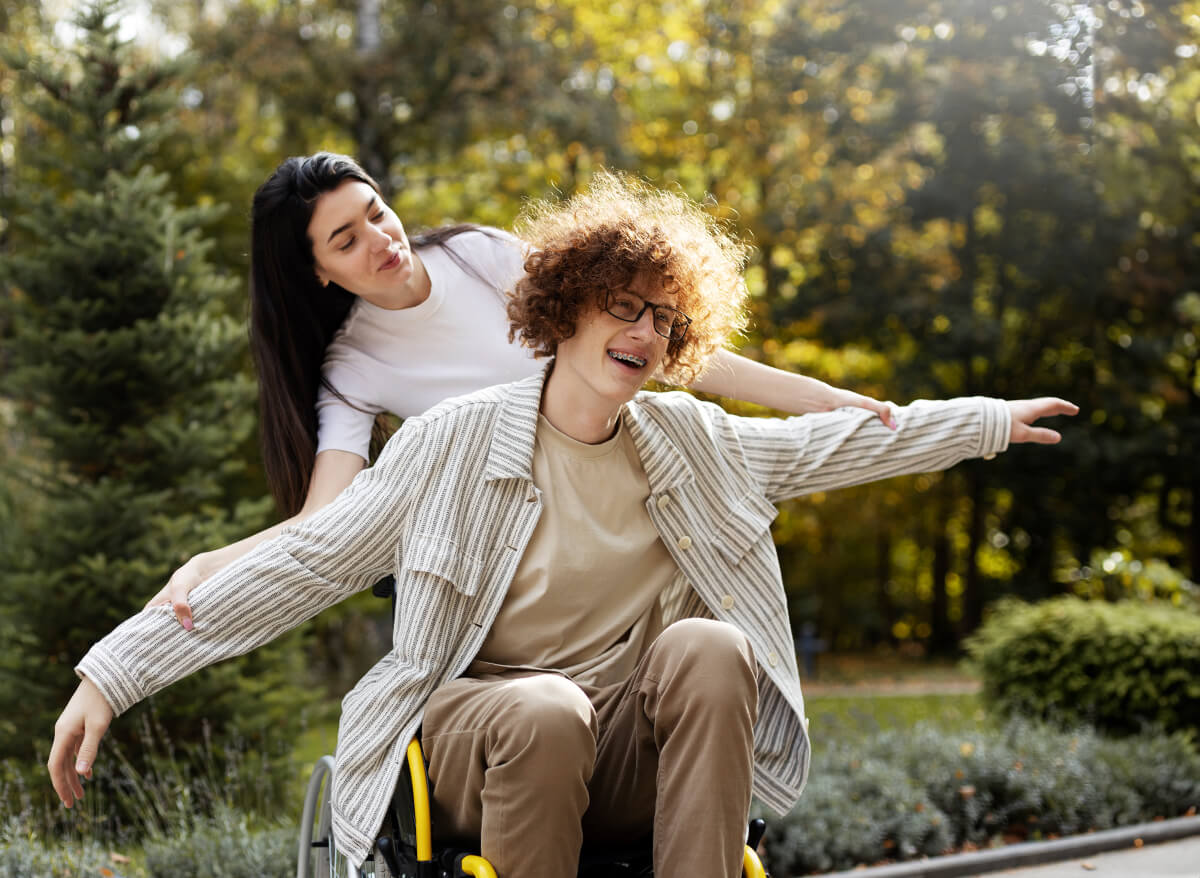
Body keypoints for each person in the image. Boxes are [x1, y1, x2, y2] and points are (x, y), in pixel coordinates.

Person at [50, 171, 1077, 877]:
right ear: (564, 311)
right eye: (623, 308)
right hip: (481, 733)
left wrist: (985, 421)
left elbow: (840, 448)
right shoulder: (450, 442)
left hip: (621, 739)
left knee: (718, 647)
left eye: (664, 320)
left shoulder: (688, 441)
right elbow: (310, 557)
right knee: (543, 707)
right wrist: (114, 672)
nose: (644, 332)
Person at [144, 152, 895, 632]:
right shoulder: (352, 368)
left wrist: (824, 398)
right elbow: (324, 519)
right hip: (514, 542)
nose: (380, 239)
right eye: (345, 240)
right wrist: (211, 563)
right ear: (317, 273)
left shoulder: (480, 259)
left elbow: (659, 349)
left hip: (611, 491)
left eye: (375, 212)